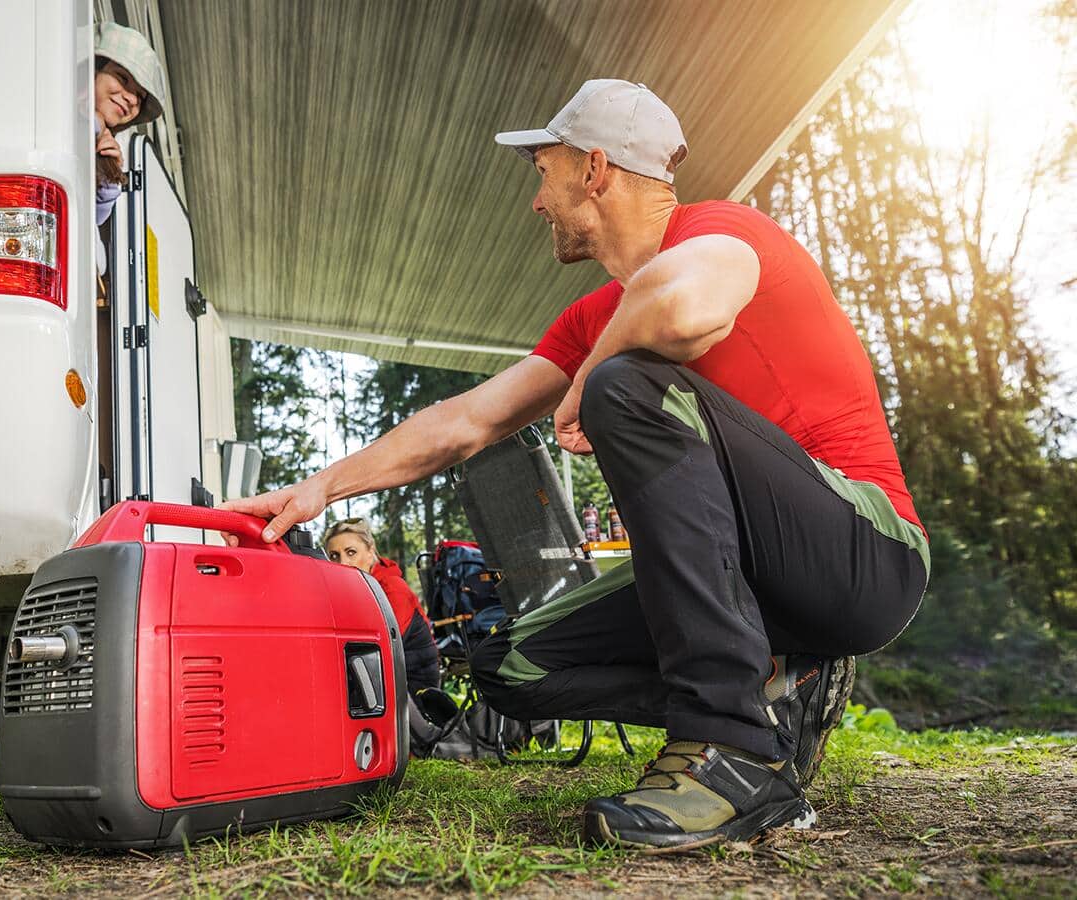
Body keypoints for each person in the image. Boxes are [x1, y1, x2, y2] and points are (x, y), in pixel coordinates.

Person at [224, 79, 929, 849]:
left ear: (594, 170)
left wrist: (594, 378)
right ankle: (773, 692)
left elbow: (684, 308)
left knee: (627, 390)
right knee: (511, 666)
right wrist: (317, 488)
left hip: (865, 551)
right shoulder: (596, 319)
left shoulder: (723, 232)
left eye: (544, 173)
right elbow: (464, 422)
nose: (538, 201)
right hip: (759, 584)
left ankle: (732, 753)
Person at [322, 518, 440, 697]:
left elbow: (383, 647)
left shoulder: (392, 588)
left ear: (370, 552)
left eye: (351, 552)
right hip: (381, 675)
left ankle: (430, 728)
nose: (342, 563)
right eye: (334, 556)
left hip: (415, 684)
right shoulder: (349, 593)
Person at [91, 23, 167, 274]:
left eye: (139, 96)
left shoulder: (102, 146)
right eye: (123, 78)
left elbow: (95, 221)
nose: (132, 99)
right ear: (93, 69)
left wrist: (107, 188)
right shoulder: (60, 111)